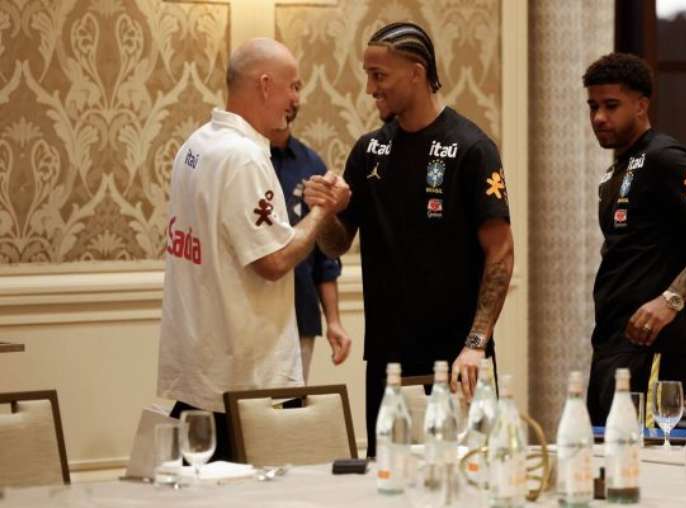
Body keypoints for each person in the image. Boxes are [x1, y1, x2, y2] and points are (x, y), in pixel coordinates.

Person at [304, 22, 514, 457]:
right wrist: (325, 211)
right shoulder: (369, 151)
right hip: (387, 361)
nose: (370, 88)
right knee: (387, 476)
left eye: (379, 75)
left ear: (416, 73)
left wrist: (476, 345)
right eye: (368, 75)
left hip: (458, 360)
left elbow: (501, 251)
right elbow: (336, 244)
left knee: (468, 474)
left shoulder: (472, 148)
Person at [157, 37, 351, 460]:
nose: (297, 99)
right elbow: (274, 260)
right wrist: (322, 210)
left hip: (203, 367)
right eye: (293, 86)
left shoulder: (196, 145)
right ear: (265, 85)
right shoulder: (243, 158)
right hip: (245, 380)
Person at [582, 53, 686, 425]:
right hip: (612, 341)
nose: (599, 117)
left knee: (644, 455)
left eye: (611, 106)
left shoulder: (664, 156)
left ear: (641, 105)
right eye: (593, 106)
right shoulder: (616, 171)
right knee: (601, 452)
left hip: (653, 344)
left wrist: (671, 299)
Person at [268, 105, 352, 383]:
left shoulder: (311, 165)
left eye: (297, 88)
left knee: (295, 401)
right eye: (287, 88)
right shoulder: (247, 160)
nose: (291, 99)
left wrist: (334, 321)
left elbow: (325, 258)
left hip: (301, 312)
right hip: (254, 314)